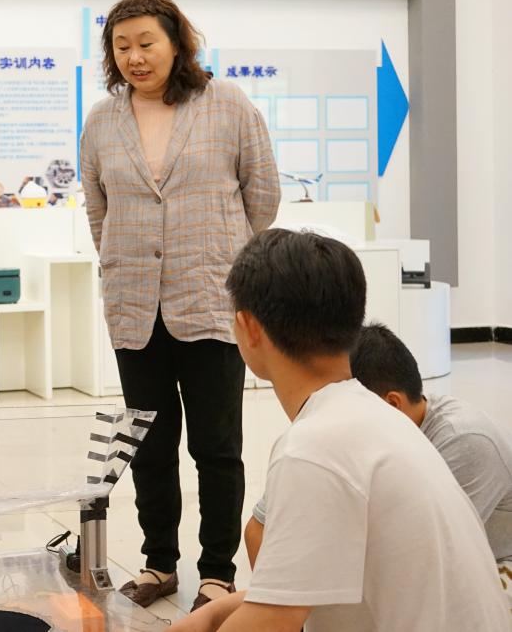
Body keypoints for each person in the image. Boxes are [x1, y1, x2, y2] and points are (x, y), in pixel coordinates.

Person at [169, 228, 510, 632]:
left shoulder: (314, 444)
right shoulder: (371, 415)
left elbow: (272, 621)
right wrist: (216, 613)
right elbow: (288, 595)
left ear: (248, 328)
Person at [78, 0, 280, 612]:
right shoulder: (102, 119)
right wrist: (125, 261)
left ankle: (216, 571)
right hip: (134, 304)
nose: (135, 57)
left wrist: (226, 259)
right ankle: (158, 562)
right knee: (148, 443)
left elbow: (263, 196)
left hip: (210, 298)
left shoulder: (227, 104)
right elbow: (97, 208)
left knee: (216, 446)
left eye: (147, 43)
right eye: (122, 46)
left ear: (177, 43)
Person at [244, 323, 512, 612]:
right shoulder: (341, 432)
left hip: (493, 568)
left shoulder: (465, 441)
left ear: (392, 404)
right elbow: (257, 529)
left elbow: (413, 559)